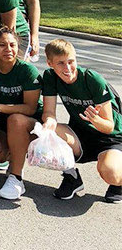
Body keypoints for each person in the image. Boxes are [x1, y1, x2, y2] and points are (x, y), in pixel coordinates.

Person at [41, 39, 122, 203]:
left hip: (110, 137)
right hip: (80, 133)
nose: (68, 68)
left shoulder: (91, 79)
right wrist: (49, 122)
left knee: (111, 172)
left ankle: (119, 183)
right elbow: (49, 111)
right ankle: (72, 178)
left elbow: (108, 126)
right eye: (61, 63)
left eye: (71, 61)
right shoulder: (50, 77)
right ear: (50, 64)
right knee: (47, 130)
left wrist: (95, 119)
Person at [0, 27, 42, 200]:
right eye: (2, 45)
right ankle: (13, 154)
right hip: (4, 125)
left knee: (16, 120)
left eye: (12, 45)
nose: (8, 50)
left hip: (29, 125)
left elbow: (30, 108)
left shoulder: (27, 71)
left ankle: (16, 177)